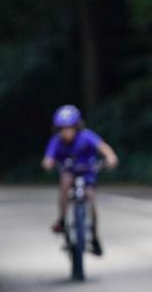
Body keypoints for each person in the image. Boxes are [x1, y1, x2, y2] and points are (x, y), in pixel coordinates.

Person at [41, 105, 118, 256]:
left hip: (88, 172)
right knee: (65, 182)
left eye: (70, 128)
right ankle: (62, 220)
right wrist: (48, 163)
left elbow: (103, 147)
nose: (67, 131)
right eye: (63, 128)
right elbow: (48, 158)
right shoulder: (56, 141)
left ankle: (94, 237)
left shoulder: (86, 136)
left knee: (91, 200)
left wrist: (110, 157)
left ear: (76, 126)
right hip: (69, 171)